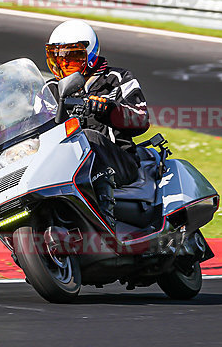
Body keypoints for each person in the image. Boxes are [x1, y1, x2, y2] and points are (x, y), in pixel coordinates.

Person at [45, 19, 150, 228]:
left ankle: (105, 218)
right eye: (57, 58)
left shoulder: (117, 78)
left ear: (90, 55)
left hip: (120, 161)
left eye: (72, 58)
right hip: (64, 164)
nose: (64, 64)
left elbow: (141, 118)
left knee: (87, 139)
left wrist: (110, 110)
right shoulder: (49, 90)